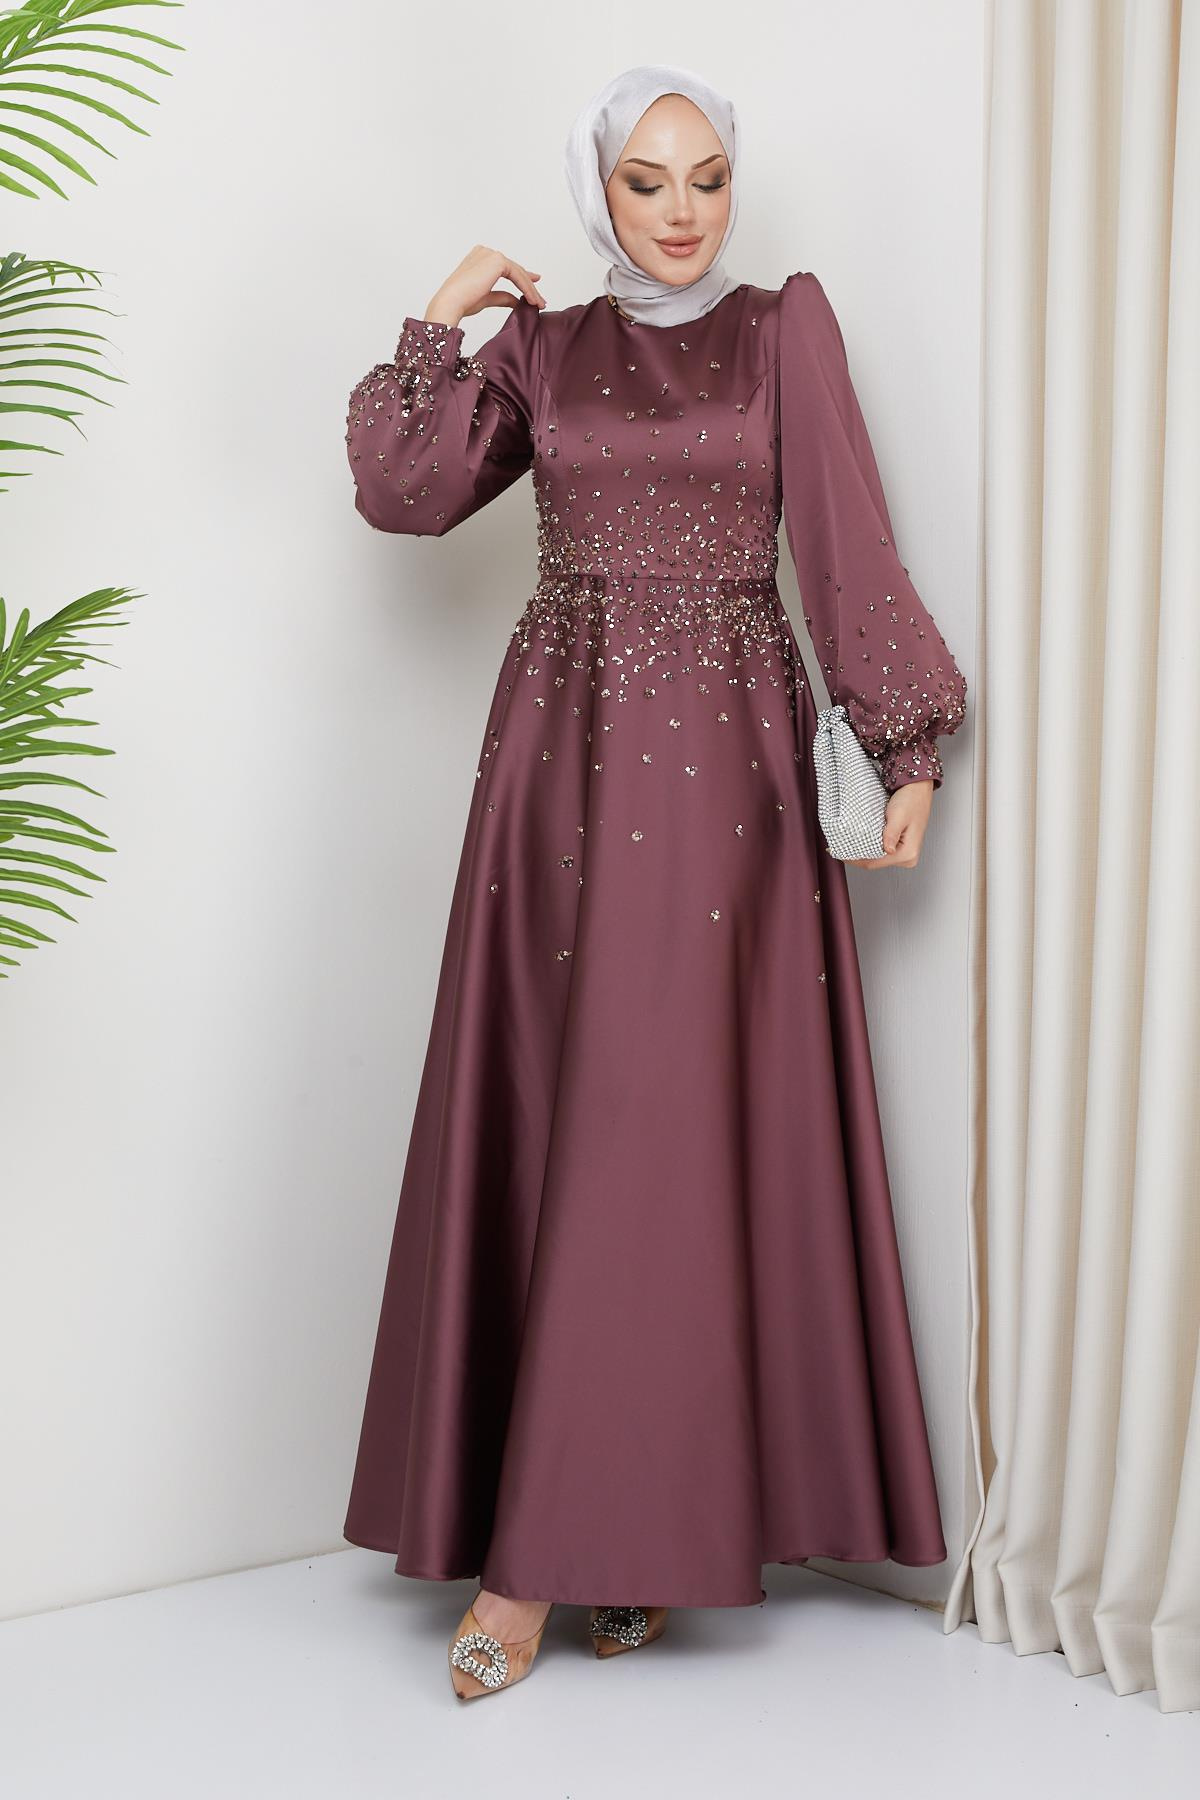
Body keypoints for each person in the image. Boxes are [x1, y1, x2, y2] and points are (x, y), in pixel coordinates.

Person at [342, 63, 968, 1702]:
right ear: (598, 194)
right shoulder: (540, 351)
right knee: (576, 1134)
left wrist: (902, 739)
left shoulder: (784, 327)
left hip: (728, 790)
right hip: (557, 773)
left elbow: (844, 538)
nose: (683, 212)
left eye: (706, 178)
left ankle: (582, 1552)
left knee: (666, 1148)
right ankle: (594, 1543)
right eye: (646, 182)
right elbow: (404, 495)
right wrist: (439, 321)